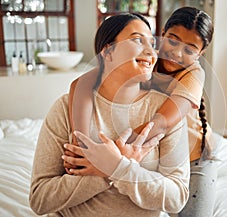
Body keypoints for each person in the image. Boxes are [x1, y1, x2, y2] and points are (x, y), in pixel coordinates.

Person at [29, 13, 190, 217]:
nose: (151, 51)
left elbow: (177, 199)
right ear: (108, 51)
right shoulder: (65, 107)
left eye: (152, 43)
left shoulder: (165, 111)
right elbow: (39, 199)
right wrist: (108, 171)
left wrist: (118, 167)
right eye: (138, 40)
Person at [64, 7, 217, 217]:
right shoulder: (146, 59)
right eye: (172, 40)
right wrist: (80, 145)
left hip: (194, 157)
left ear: (200, 54)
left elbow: (162, 122)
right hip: (158, 151)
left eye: (190, 50)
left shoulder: (194, 74)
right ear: (162, 34)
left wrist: (108, 157)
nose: (177, 53)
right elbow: (80, 84)